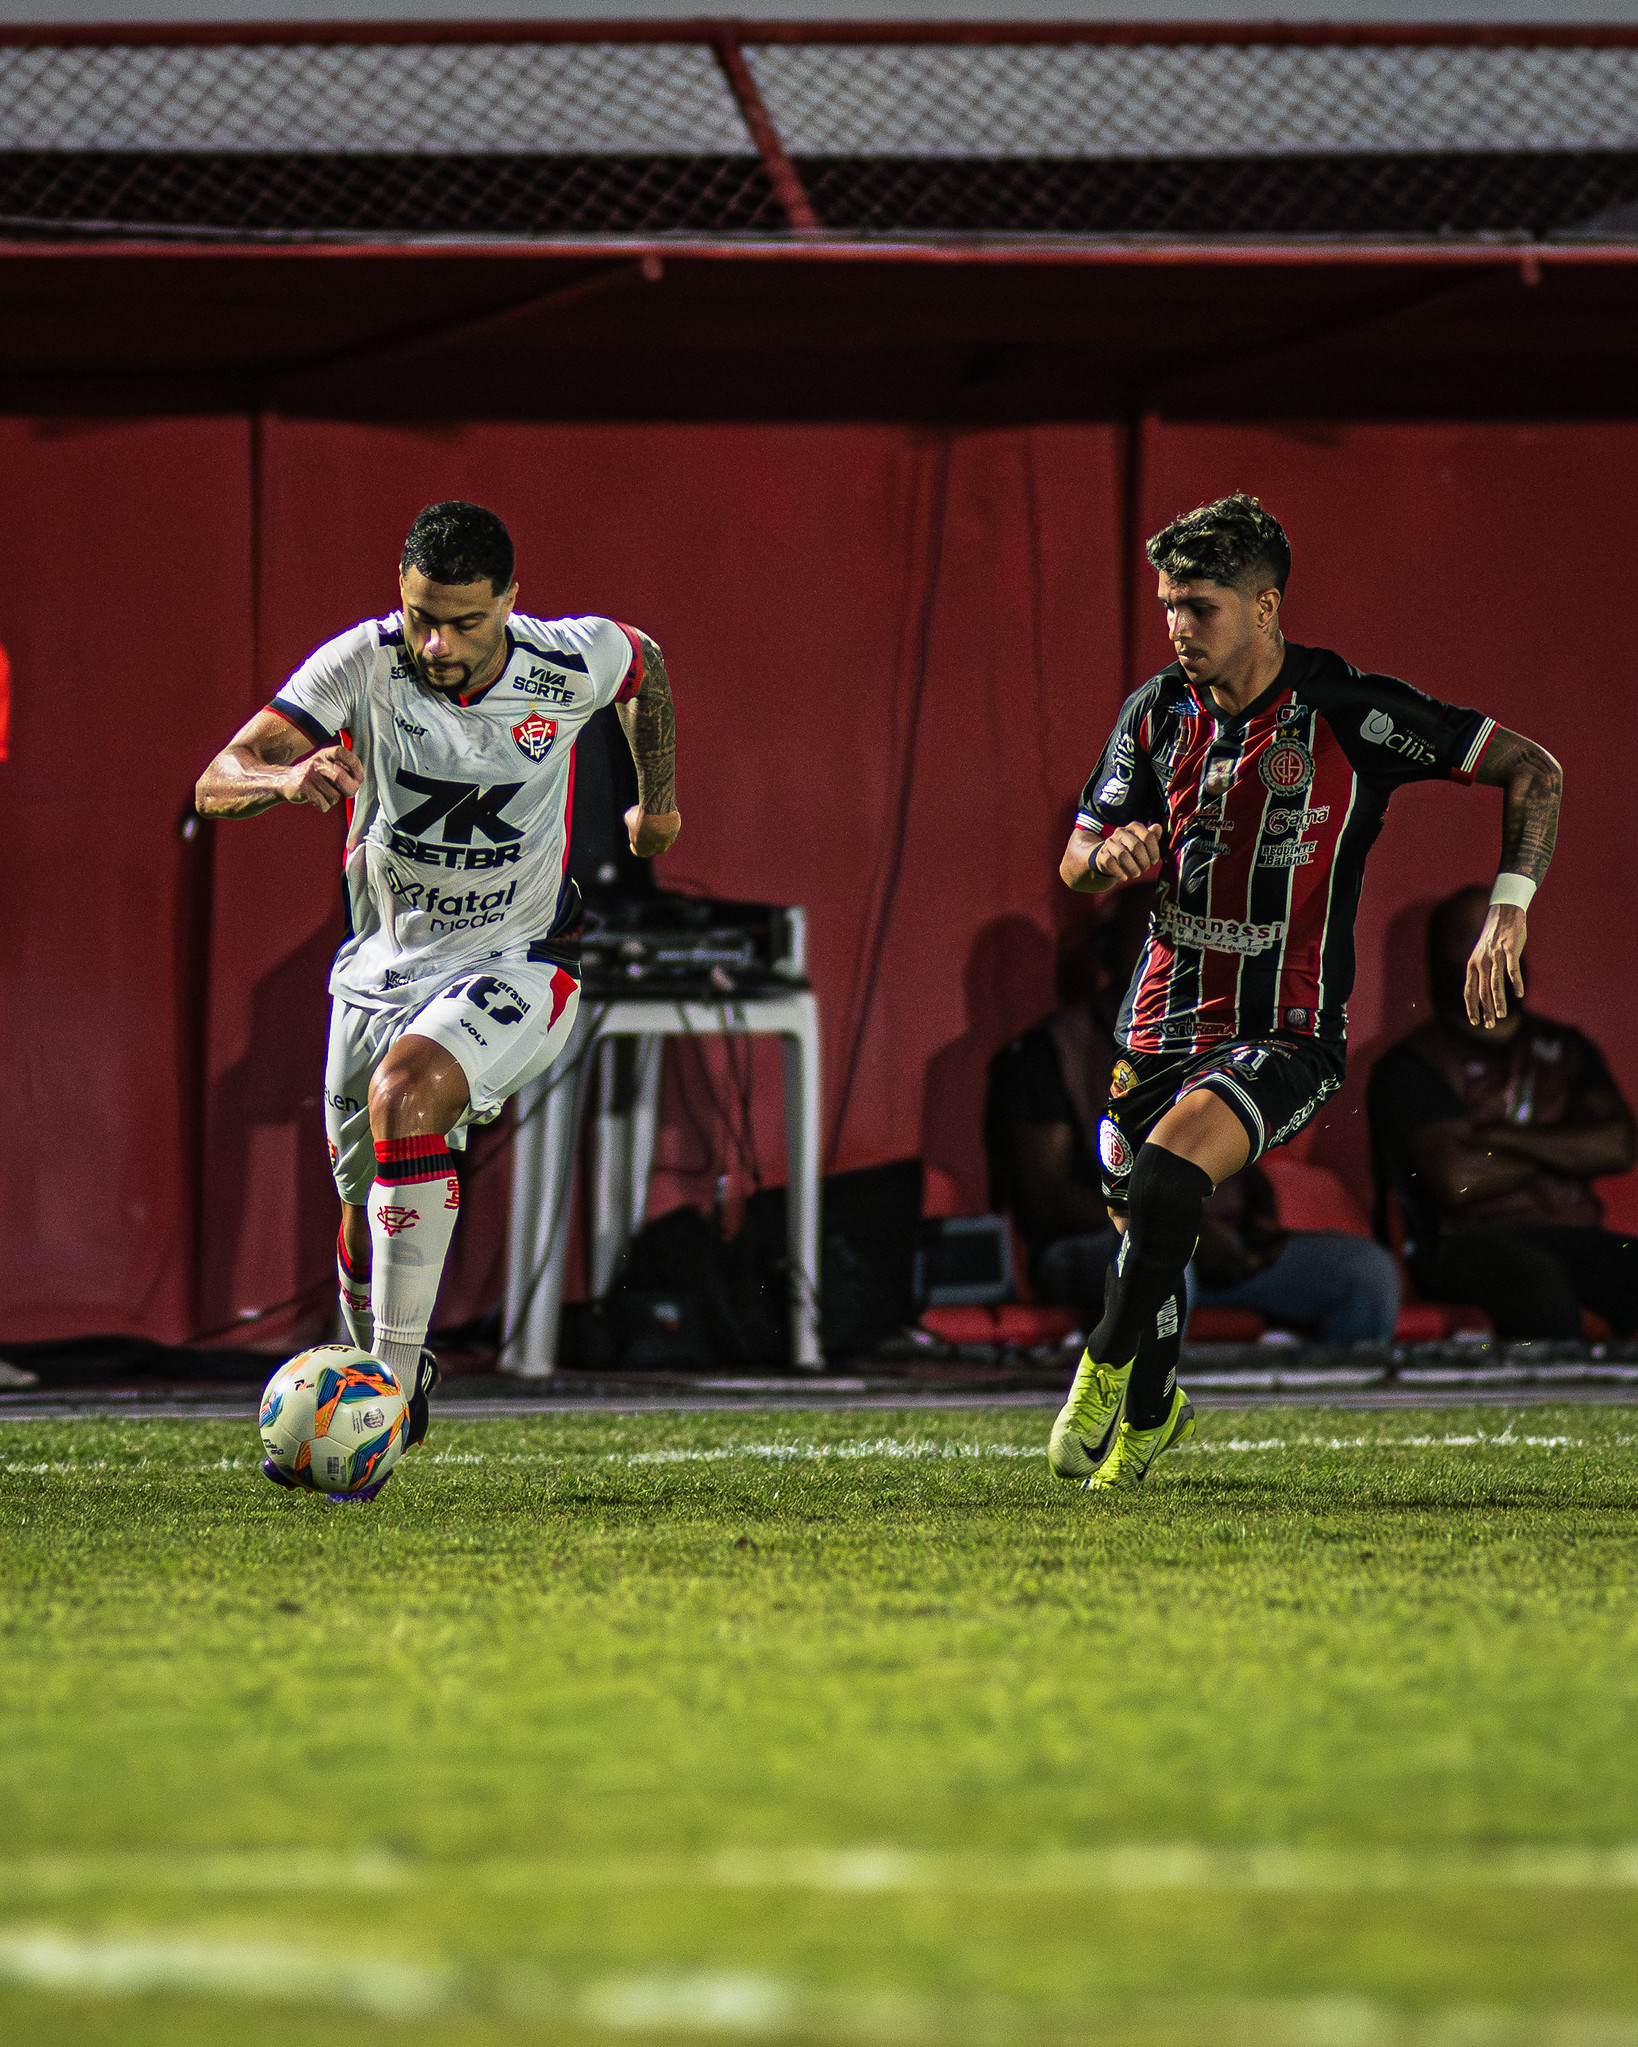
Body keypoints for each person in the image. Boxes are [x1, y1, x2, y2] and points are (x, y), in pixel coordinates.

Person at [1048, 491, 1562, 1491]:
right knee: (1144, 1227)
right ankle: (1155, 1411)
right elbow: (1075, 859)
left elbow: (1530, 768)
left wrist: (1511, 904)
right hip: (1154, 1023)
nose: (1177, 627)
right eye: (1167, 605)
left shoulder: (1348, 712)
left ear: (1267, 605)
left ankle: (1101, 1371)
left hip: (1286, 1030)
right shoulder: (1155, 713)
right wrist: (1112, 854)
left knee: (1164, 1183)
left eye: (1200, 606)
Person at [196, 501, 680, 1497]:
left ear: (510, 600)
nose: (436, 641)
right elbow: (215, 778)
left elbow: (645, 665)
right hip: (378, 976)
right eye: (420, 615)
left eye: (461, 621)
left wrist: (657, 800)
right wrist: (284, 783)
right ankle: (375, 1356)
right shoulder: (362, 664)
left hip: (521, 961)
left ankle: (393, 1381)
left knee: (407, 1094)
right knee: (360, 1202)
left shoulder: (565, 661)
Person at [1368, 885, 1636, 1339]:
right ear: (1438, 961)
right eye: (1474, 941)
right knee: (1536, 1286)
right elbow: (1461, 1179)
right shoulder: (1411, 1066)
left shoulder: (1567, 1049)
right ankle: (1553, 1409)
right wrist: (1566, 1145)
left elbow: (1617, 1147)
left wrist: (1496, 1136)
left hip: (1575, 1232)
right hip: (1466, 1242)